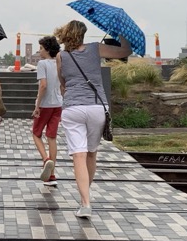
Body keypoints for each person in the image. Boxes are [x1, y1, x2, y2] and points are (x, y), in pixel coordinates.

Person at [54, 19, 132, 219]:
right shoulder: (95, 48)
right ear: (82, 35)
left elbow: (63, 83)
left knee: (78, 156)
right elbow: (124, 52)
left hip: (73, 108)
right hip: (97, 106)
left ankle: (85, 202)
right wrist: (120, 32)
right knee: (91, 154)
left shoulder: (61, 56)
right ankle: (84, 197)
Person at [31, 35, 63, 186]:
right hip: (58, 104)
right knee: (52, 137)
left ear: (47, 49)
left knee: (36, 134)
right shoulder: (60, 63)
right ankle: (51, 175)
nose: (39, 51)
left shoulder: (42, 64)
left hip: (45, 105)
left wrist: (37, 106)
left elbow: (43, 85)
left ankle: (46, 160)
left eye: (41, 48)